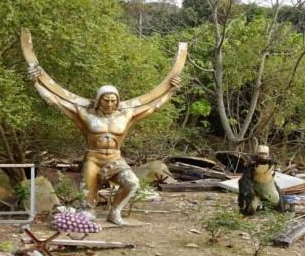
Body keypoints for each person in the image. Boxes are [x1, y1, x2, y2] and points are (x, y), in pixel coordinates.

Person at [21, 30, 186, 225]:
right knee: (87, 203)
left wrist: (172, 90)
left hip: (115, 159)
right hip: (94, 158)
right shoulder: (85, 115)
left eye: (113, 100)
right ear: (99, 101)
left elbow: (154, 106)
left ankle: (115, 211)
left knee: (132, 183)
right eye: (105, 99)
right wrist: (37, 81)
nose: (109, 103)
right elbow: (55, 101)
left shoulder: (127, 115)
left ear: (117, 102)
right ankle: (87, 213)